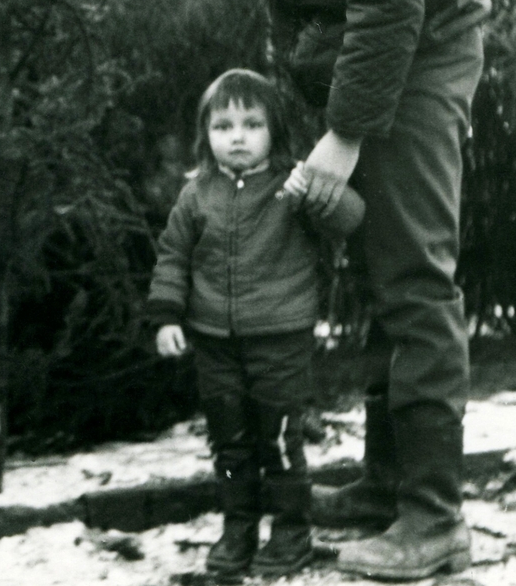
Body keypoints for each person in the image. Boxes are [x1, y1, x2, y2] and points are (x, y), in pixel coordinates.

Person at [134, 0, 490, 580]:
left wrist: (342, 137)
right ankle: (386, 484)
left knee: (413, 285)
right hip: (368, 66)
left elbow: (393, 2)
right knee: (379, 281)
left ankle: (435, 520)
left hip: (416, 61)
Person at [149, 68, 364, 577]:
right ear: (207, 135)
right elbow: (173, 257)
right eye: (223, 126)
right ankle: (238, 525)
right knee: (229, 442)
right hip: (214, 344)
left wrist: (317, 192)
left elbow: (350, 219)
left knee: (279, 438)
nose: (238, 136)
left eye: (252, 123)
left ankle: (291, 530)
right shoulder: (195, 195)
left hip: (281, 342)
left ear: (275, 131)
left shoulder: (293, 184)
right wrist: (165, 316)